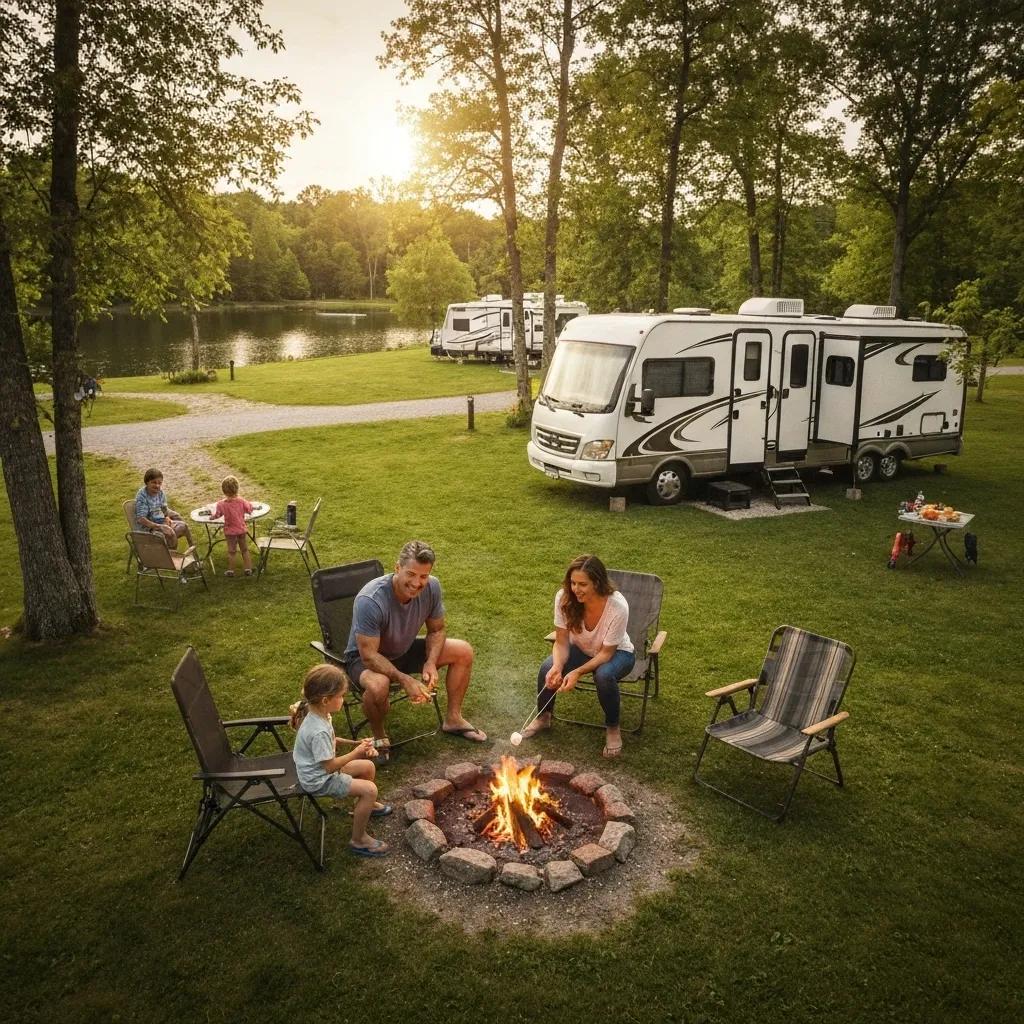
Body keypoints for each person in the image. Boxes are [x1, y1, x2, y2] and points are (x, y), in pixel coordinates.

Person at [343, 540, 486, 761]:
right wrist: (404, 680)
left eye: (423, 576)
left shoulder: (432, 587)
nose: (417, 583)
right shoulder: (370, 600)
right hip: (365, 659)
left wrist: (430, 661)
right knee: (379, 684)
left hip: (404, 648)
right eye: (411, 574)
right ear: (397, 568)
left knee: (463, 651)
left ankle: (453, 719)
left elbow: (437, 630)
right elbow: (369, 655)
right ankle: (380, 737)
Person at [521, 554, 636, 759]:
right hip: (582, 649)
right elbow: (562, 641)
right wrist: (558, 665)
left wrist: (577, 672)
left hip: (618, 653)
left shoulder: (617, 606)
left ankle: (612, 728)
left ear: (597, 583)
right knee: (548, 668)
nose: (576, 589)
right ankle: (543, 717)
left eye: (582, 584)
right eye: (573, 582)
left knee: (603, 675)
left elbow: (606, 653)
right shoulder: (564, 598)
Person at [290, 664, 391, 858]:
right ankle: (359, 840)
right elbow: (329, 767)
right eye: (341, 696)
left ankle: (364, 806)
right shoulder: (317, 730)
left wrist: (356, 742)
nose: (343, 700)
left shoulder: (318, 714)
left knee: (368, 767)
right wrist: (357, 751)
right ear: (326, 700)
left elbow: (332, 741)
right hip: (318, 780)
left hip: (321, 770)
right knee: (370, 790)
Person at [134, 467, 193, 549]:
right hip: (148, 529)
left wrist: (166, 517)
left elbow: (164, 508)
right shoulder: (142, 496)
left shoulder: (160, 493)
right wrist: (160, 526)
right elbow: (141, 519)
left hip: (160, 521)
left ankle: (193, 551)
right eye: (154, 482)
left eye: (159, 483)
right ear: (147, 482)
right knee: (170, 532)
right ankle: (171, 558)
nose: (157, 485)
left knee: (183, 525)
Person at [214, 475, 253, 577]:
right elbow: (249, 509)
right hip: (241, 529)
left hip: (230, 532)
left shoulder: (221, 504)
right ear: (237, 488)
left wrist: (210, 517)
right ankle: (248, 569)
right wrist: (252, 506)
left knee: (231, 551)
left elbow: (217, 515)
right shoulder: (242, 501)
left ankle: (231, 571)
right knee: (244, 549)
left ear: (223, 490)